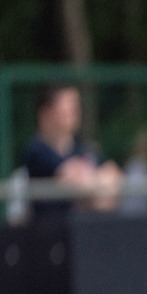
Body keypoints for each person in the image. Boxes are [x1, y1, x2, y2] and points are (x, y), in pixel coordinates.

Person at [21, 84, 122, 221]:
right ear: (46, 112)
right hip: (48, 233)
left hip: (81, 232)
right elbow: (72, 177)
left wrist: (90, 187)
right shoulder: (37, 150)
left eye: (75, 108)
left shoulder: (83, 147)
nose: (73, 113)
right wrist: (95, 187)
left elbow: (113, 175)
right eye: (67, 108)